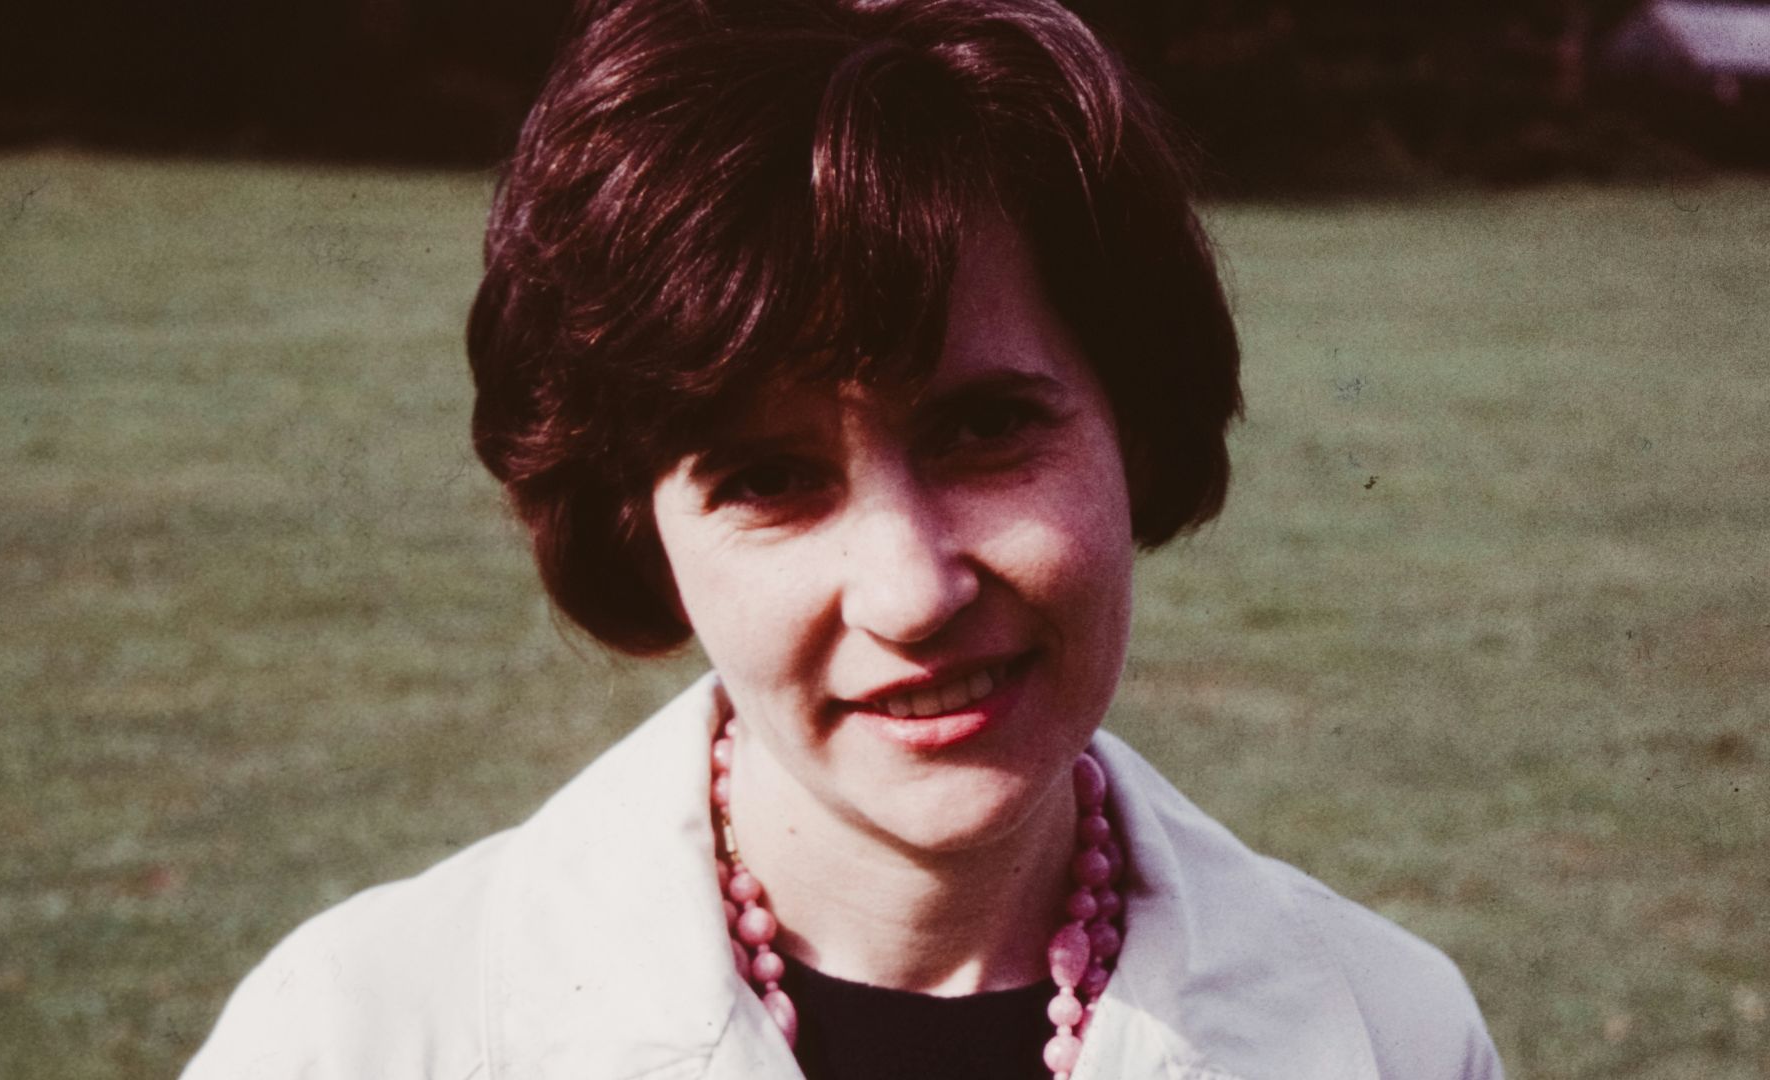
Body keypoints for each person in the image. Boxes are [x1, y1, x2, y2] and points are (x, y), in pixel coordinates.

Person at [182, 0, 1504, 1077]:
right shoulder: (356, 1036)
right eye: (770, 478)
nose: (911, 591)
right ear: (644, 531)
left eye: (986, 431)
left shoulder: (1392, 1035)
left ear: (1135, 430)